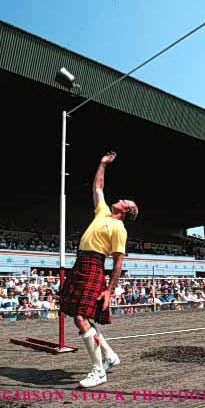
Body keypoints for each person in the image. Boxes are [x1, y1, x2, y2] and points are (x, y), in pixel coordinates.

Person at [60, 151, 138, 388]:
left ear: (126, 212)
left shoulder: (119, 230)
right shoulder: (103, 211)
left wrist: (109, 291)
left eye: (126, 201)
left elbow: (118, 263)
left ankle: (98, 371)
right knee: (77, 315)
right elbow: (98, 187)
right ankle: (110, 356)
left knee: (82, 318)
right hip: (80, 264)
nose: (122, 199)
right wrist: (103, 164)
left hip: (94, 266)